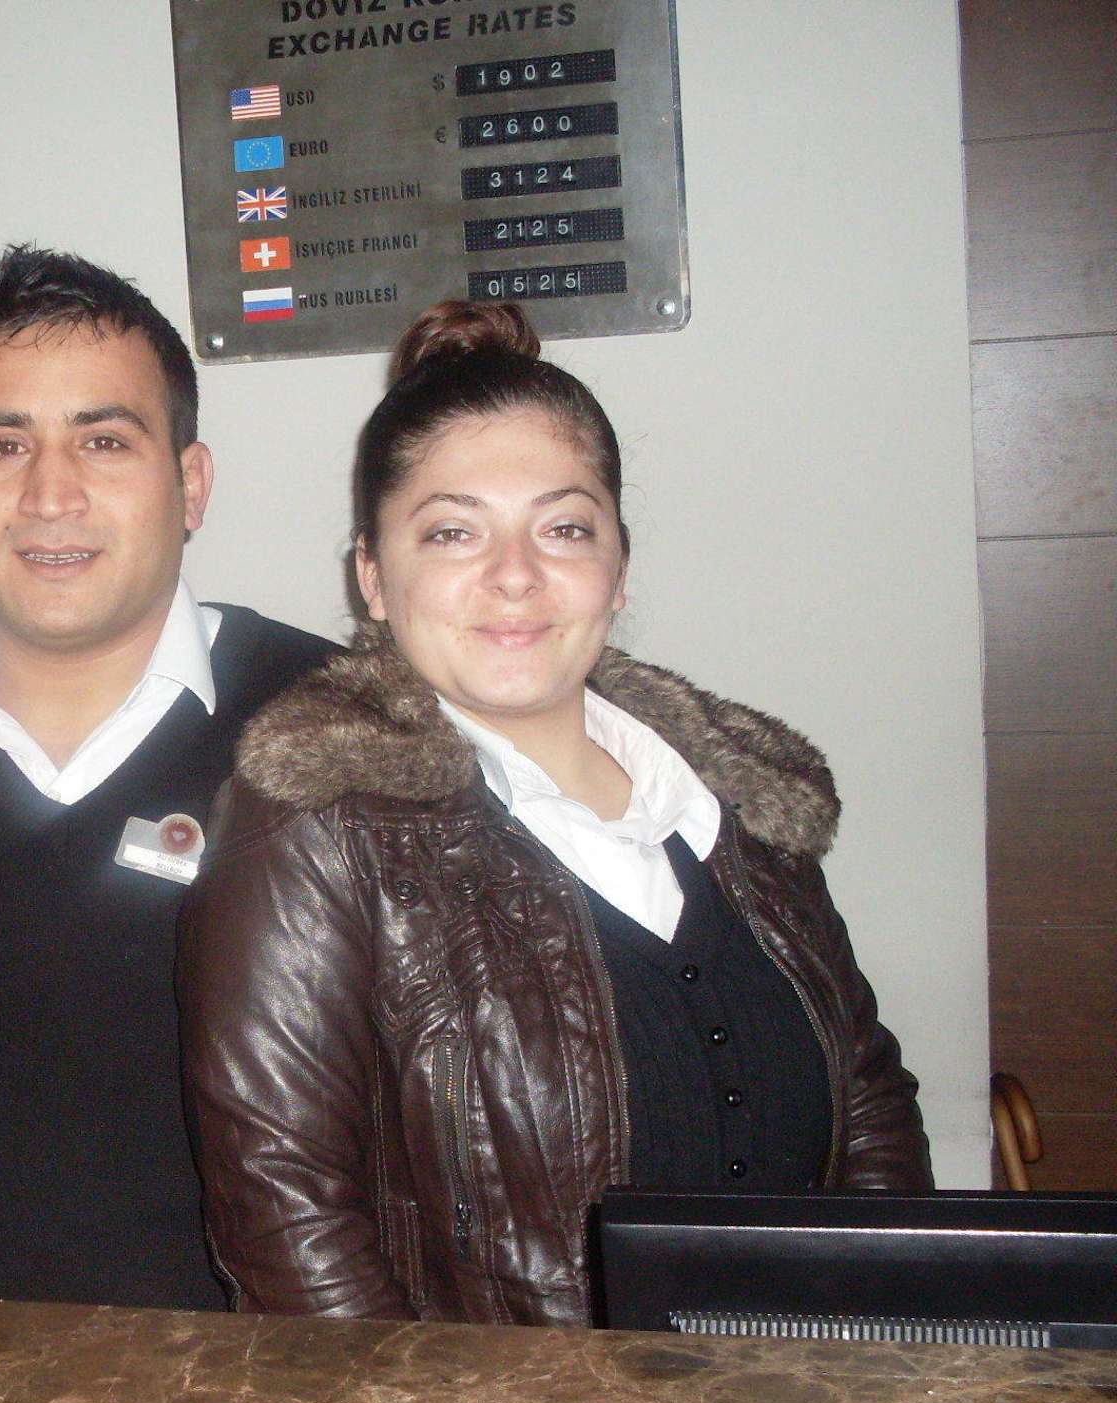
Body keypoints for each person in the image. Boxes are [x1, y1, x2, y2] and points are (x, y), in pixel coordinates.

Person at [178, 300, 932, 1325]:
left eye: (564, 527)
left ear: (618, 567)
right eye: (453, 531)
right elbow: (286, 1220)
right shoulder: (313, 830)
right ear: (374, 578)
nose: (516, 576)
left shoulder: (744, 804)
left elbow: (870, 1101)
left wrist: (878, 1339)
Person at [0, 246, 336, 1309]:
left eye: (104, 440)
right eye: (4, 446)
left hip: (262, 1372)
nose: (51, 495)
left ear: (190, 484)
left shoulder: (324, 724)